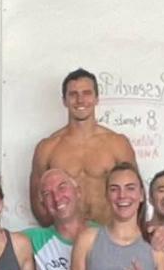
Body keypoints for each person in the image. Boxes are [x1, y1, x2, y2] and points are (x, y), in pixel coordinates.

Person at [29, 68, 137, 226]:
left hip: (107, 233)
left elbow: (135, 193)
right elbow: (37, 202)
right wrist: (58, 233)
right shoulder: (47, 148)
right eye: (73, 94)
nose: (80, 100)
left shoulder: (118, 144)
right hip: (64, 235)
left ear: (96, 98)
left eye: (86, 93)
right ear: (64, 101)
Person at [21, 168, 93, 270]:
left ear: (78, 192)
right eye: (47, 194)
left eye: (62, 187)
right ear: (43, 204)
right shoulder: (34, 239)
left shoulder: (101, 234)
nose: (57, 198)